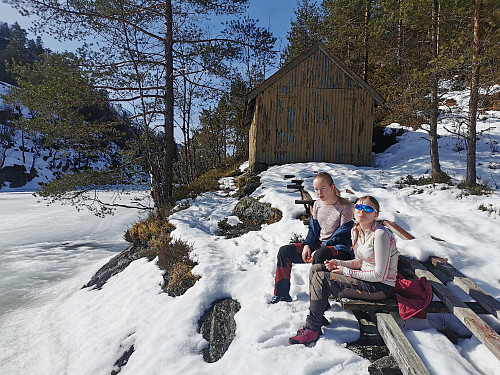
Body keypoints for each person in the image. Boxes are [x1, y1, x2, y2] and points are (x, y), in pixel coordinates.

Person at [288, 195, 398, 345]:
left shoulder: (380, 234)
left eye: (367, 208)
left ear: (376, 214)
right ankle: (318, 315)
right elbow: (360, 261)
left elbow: (380, 275)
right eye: (358, 207)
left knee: (322, 279)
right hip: (365, 279)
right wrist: (338, 263)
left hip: (380, 287)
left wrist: (345, 271)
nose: (361, 212)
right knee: (317, 269)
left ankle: (312, 328)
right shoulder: (357, 230)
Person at [270, 172, 354, 304]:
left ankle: (319, 304)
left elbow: (342, 236)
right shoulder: (317, 205)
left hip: (340, 249)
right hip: (320, 245)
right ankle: (281, 295)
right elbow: (313, 229)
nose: (319, 193)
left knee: (320, 254)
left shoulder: (345, 207)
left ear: (332, 187)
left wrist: (322, 248)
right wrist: (307, 245)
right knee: (284, 252)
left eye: (323, 188)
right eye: (316, 189)